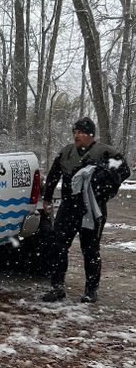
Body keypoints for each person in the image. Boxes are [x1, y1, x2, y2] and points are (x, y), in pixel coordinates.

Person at [41, 116, 131, 303]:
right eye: (75, 132)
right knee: (58, 246)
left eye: (81, 132)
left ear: (91, 135)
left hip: (92, 208)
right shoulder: (67, 152)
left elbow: (123, 171)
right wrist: (47, 198)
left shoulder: (105, 152)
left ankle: (91, 290)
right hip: (68, 207)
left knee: (90, 250)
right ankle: (57, 287)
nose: (77, 136)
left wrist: (103, 181)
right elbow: (53, 175)